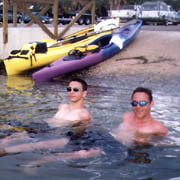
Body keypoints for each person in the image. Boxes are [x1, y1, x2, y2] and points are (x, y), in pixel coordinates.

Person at [0, 78, 102, 159]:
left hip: (49, 132)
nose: (71, 92)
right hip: (41, 126)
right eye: (69, 89)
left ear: (84, 93)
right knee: (10, 133)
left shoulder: (84, 115)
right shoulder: (62, 106)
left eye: (75, 90)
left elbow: (77, 134)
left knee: (14, 132)